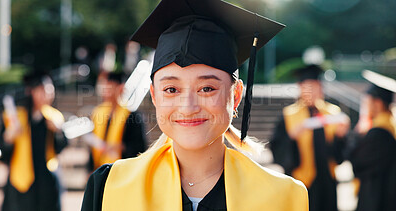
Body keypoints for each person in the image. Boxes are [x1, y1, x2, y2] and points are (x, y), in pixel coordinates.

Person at [81, 0, 308, 210]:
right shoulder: (107, 187)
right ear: (155, 96)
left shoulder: (283, 197)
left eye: (207, 89)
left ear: (236, 95)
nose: (188, 107)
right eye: (171, 90)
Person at [270, 65, 350, 211]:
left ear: (321, 88)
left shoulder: (333, 113)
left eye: (316, 87)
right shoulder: (289, 115)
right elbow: (277, 146)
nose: (312, 92)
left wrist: (341, 136)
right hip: (302, 180)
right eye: (308, 88)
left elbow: (341, 150)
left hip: (327, 179)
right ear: (300, 88)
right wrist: (292, 136)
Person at [0, 71, 68, 211]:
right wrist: (9, 137)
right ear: (31, 91)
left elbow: (60, 148)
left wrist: (58, 132)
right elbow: (4, 152)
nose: (47, 94)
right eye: (42, 90)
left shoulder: (54, 117)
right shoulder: (14, 117)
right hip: (20, 182)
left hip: (46, 179)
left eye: (49, 90)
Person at [348, 70, 396, 211]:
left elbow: (357, 161)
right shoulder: (390, 126)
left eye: (366, 102)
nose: (364, 107)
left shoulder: (378, 133)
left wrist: (357, 134)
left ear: (378, 103)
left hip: (377, 197)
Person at [88, 71, 147, 171]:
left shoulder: (132, 116)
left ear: (121, 88)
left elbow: (139, 147)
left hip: (123, 171)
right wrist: (90, 170)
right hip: (100, 170)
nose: (105, 91)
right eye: (104, 87)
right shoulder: (98, 113)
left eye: (109, 87)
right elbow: (92, 146)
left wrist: (121, 147)